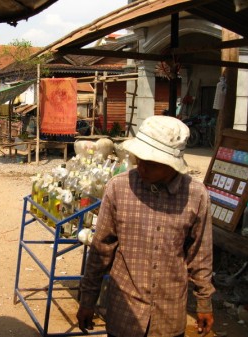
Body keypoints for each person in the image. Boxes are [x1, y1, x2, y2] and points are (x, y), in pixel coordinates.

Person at [76, 115, 215, 337]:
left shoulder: (196, 195)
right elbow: (101, 249)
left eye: (150, 164)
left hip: (169, 314)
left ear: (171, 165)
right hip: (124, 312)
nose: (141, 167)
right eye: (139, 160)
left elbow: (200, 254)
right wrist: (87, 299)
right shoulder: (119, 188)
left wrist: (204, 302)